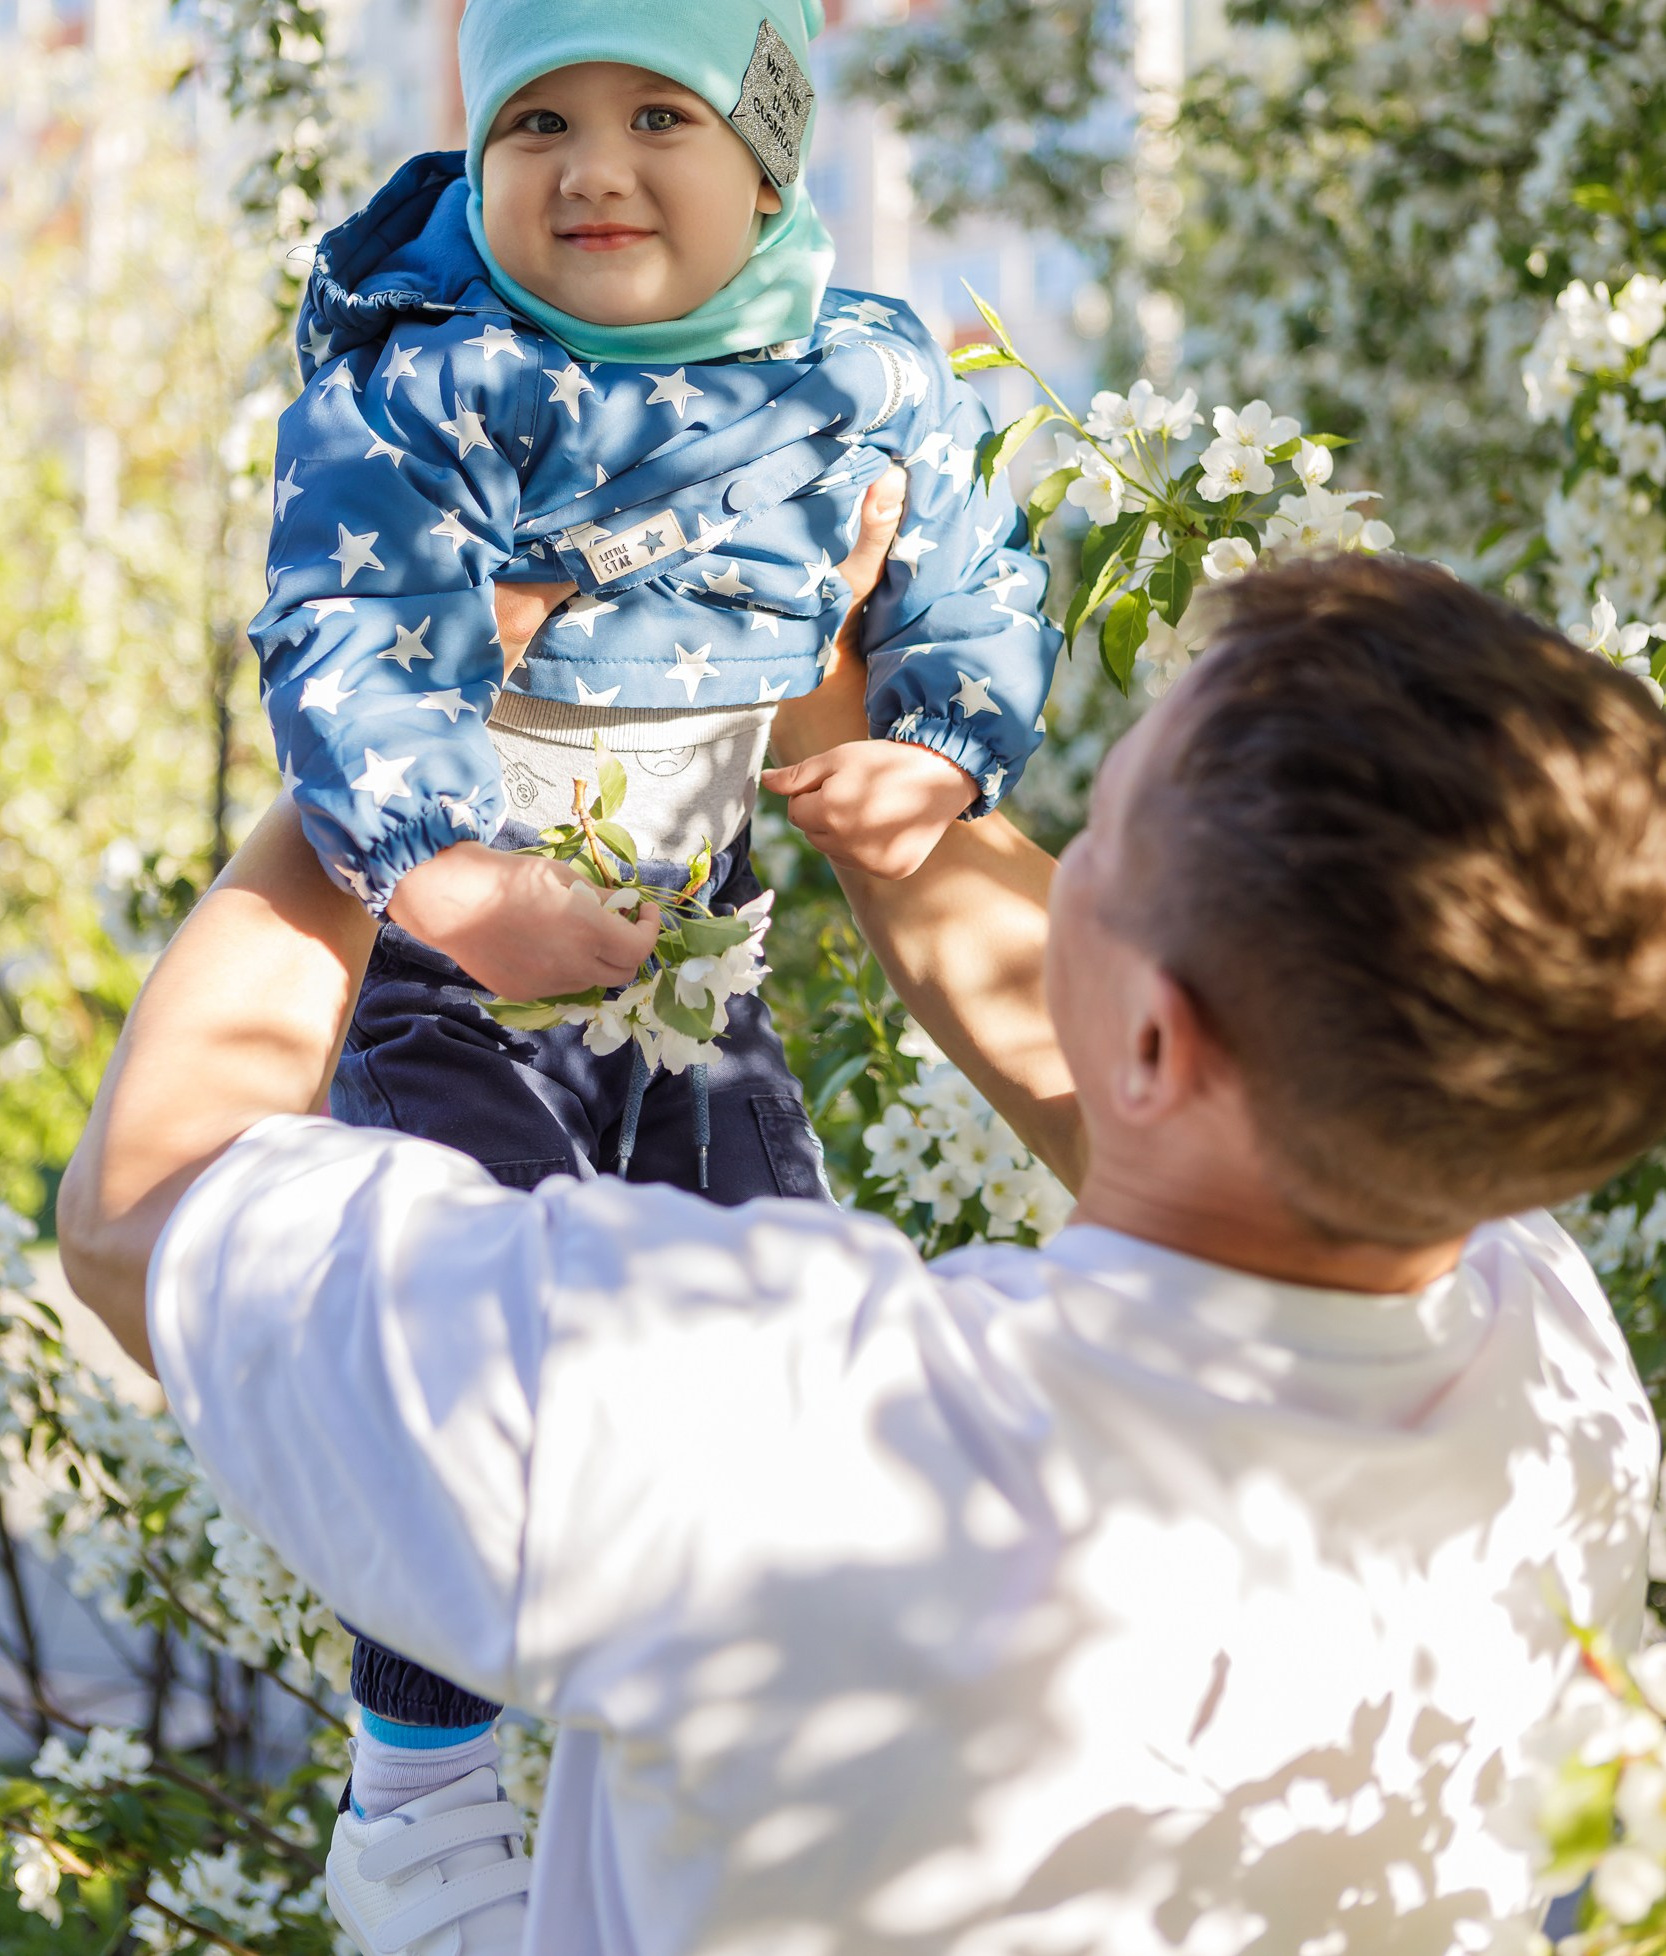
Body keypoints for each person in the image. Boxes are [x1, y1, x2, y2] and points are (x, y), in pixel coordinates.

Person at [61, 552, 1666, 1955]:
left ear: (1162, 1038)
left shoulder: (788, 1426)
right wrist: (806, 662)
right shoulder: (1550, 1378)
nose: (1045, 864)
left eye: (1094, 831)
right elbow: (1117, 1047)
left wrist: (384, 741)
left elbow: (147, 1207)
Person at [247, 0, 1060, 1831]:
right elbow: (338, 629)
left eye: (656, 112)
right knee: (476, 1330)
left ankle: (719, 1734)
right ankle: (421, 1774)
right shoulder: (436, 385)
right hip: (453, 961)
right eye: (535, 118)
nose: (591, 162)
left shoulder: (856, 375)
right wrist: (437, 868)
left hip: (691, 952)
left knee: (773, 1298)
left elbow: (963, 573)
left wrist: (938, 748)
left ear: (766, 155)